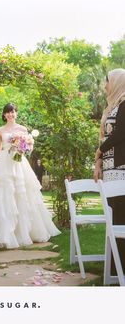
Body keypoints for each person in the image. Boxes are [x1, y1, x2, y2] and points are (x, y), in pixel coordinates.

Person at [0, 103, 60, 249]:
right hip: (3, 163)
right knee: (3, 196)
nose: (10, 115)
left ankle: (24, 232)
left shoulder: (22, 129)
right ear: (4, 115)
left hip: (19, 163)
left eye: (13, 112)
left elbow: (29, 147)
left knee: (22, 195)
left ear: (16, 113)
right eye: (7, 112)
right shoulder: (0, 130)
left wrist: (26, 146)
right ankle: (3, 233)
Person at [94, 68, 125, 274]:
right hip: (110, 168)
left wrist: (100, 149)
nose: (105, 86)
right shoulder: (113, 106)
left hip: (121, 169)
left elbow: (120, 134)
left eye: (107, 82)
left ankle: (120, 268)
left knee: (121, 218)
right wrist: (98, 160)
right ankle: (115, 268)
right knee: (115, 218)